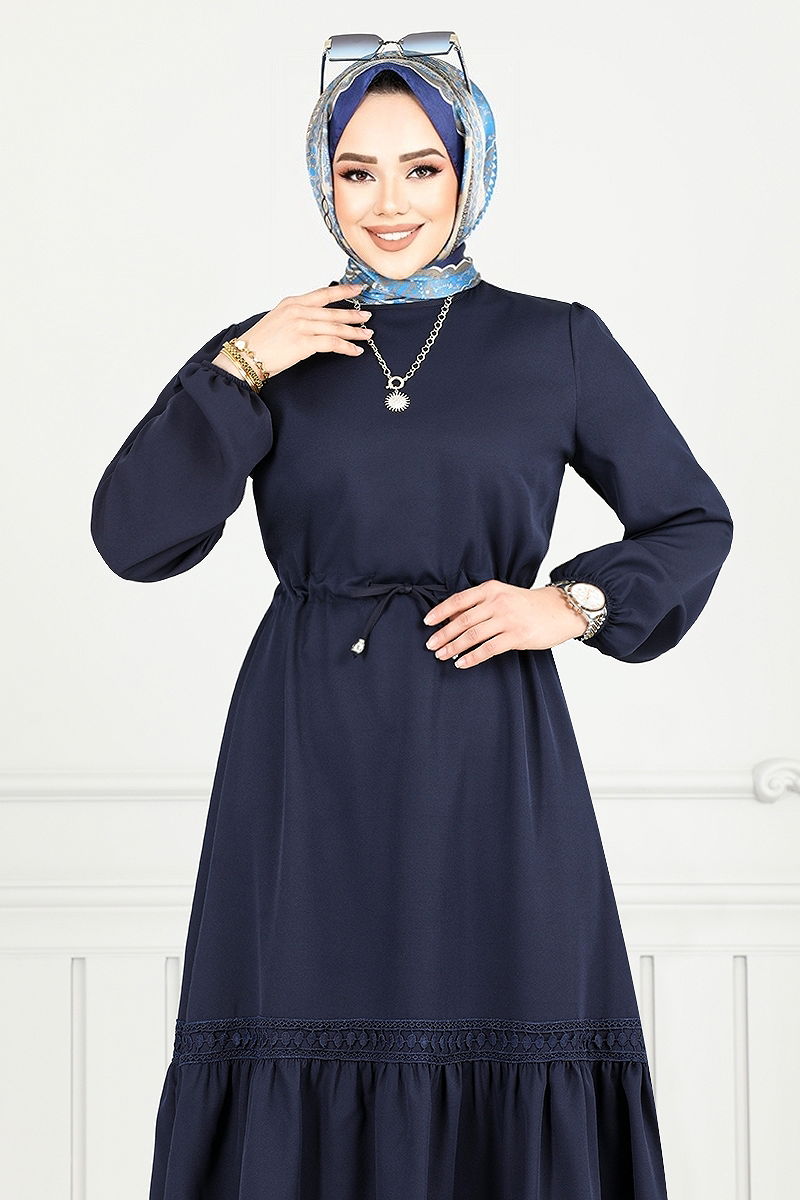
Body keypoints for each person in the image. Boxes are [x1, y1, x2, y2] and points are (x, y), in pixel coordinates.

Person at [90, 33, 733, 1200]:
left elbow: (689, 519)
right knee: (299, 1007)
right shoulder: (273, 343)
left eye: (420, 168)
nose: (388, 203)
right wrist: (241, 366)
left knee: (504, 1007)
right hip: (306, 749)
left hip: (488, 749)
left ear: (468, 168)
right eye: (357, 171)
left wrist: (569, 603)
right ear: (321, 180)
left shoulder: (555, 341)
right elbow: (133, 537)